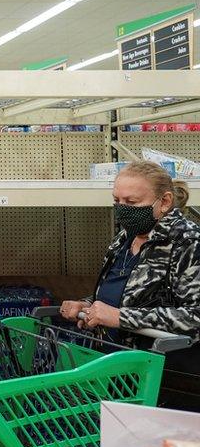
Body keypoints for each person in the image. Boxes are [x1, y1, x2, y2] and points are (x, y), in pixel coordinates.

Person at [59, 160, 200, 381]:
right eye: (117, 200)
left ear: (164, 201)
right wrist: (89, 305)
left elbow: (195, 317)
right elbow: (125, 291)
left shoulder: (188, 242)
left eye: (131, 201)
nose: (122, 208)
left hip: (165, 379)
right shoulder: (125, 238)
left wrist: (120, 317)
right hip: (119, 372)